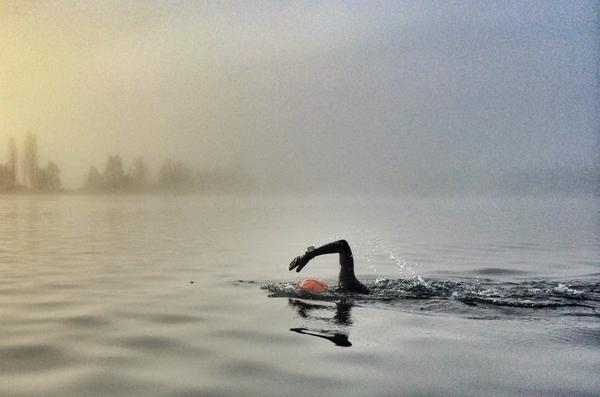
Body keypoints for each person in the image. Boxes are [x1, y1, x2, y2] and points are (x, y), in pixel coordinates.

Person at [288, 240, 369, 294]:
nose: (320, 280)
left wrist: (309, 254)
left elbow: (342, 244)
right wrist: (309, 255)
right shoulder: (347, 285)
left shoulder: (347, 286)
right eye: (318, 282)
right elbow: (342, 245)